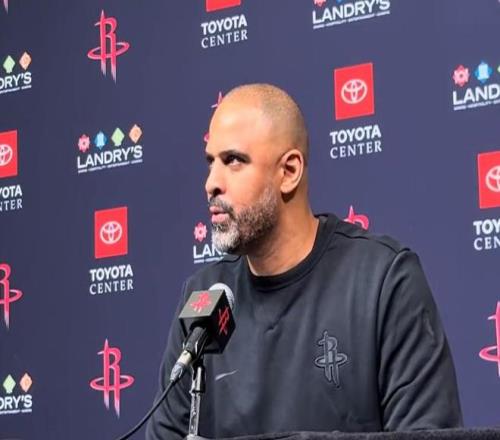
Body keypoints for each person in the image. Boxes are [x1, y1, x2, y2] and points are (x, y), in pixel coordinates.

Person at [146, 84, 463, 439]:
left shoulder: (383, 281)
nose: (211, 183)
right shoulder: (204, 297)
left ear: (289, 171)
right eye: (211, 162)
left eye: (233, 161)